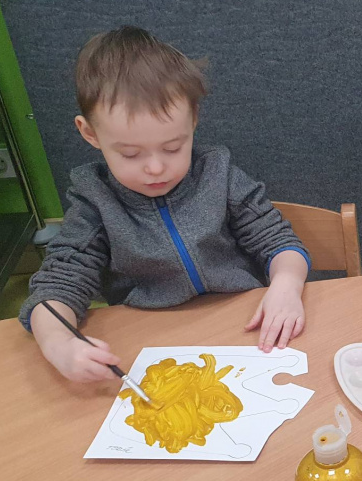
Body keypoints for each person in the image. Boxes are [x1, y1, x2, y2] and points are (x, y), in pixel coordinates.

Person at [19, 26, 311, 383]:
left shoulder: (218, 175)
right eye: (130, 154)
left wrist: (286, 284)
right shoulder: (95, 202)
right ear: (89, 133)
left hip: (243, 325)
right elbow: (56, 287)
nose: (156, 168)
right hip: (151, 341)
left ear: (194, 119)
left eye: (173, 148)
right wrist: (58, 343)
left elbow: (279, 242)